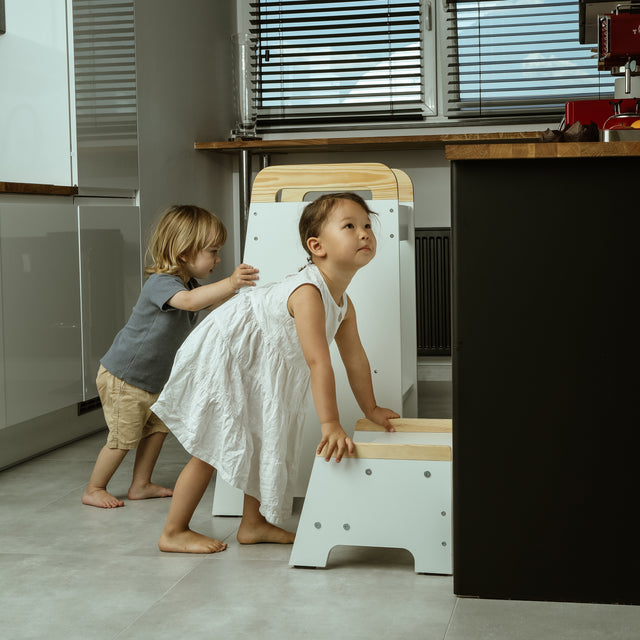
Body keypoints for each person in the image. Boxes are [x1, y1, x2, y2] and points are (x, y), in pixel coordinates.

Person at [152, 192, 399, 554]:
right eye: (350, 226)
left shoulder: (343, 304)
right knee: (214, 441)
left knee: (266, 434)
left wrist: (371, 408)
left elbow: (355, 359)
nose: (364, 233)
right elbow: (319, 361)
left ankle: (252, 524)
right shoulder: (308, 293)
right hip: (230, 353)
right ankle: (173, 530)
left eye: (366, 225)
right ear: (317, 246)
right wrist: (330, 423)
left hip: (264, 363)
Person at [81, 204, 259, 509]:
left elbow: (212, 305)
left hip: (154, 380)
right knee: (125, 436)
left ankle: (140, 484)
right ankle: (95, 488)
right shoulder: (162, 283)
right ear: (185, 254)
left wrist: (245, 297)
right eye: (213, 251)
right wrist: (230, 283)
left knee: (157, 430)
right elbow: (190, 303)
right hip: (125, 376)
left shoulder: (190, 284)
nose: (218, 259)